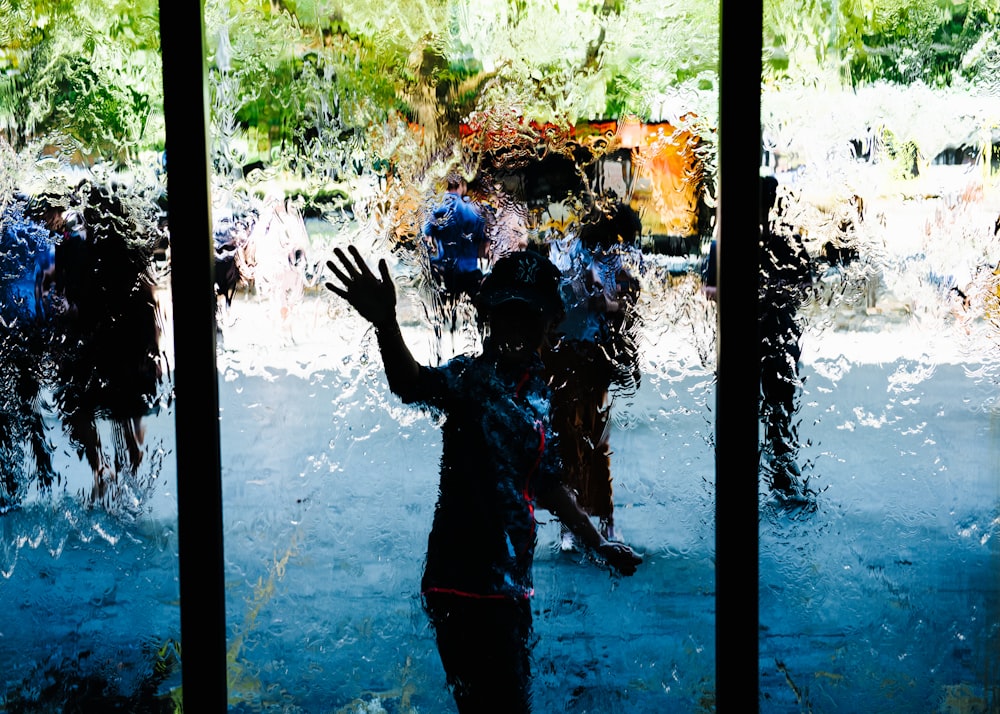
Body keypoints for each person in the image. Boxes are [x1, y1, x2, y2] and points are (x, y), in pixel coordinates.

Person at [325, 246, 642, 713]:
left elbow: (548, 483)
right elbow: (410, 383)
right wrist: (386, 325)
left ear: (550, 323)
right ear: (487, 319)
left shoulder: (537, 392)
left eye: (527, 318)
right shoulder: (469, 380)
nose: (515, 330)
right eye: (505, 317)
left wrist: (597, 543)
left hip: (509, 583)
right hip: (464, 583)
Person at [545, 201, 642, 544]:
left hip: (590, 356)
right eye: (621, 240)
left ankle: (598, 518)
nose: (623, 249)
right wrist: (605, 302)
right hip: (571, 355)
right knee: (574, 440)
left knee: (592, 439)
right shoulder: (574, 255)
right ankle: (579, 521)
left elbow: (621, 297)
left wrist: (614, 301)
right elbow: (571, 300)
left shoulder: (602, 256)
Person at [423, 174, 487, 312]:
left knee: (447, 317)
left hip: (446, 275)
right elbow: (485, 247)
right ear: (462, 186)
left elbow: (425, 237)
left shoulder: (436, 209)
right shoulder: (476, 210)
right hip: (470, 274)